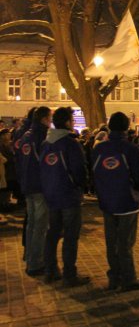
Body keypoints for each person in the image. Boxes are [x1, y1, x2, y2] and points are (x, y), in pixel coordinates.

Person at [92, 112, 139, 291]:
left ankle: (114, 276)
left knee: (111, 242)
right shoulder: (131, 149)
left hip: (107, 201)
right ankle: (128, 278)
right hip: (127, 201)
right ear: (126, 128)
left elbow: (94, 173)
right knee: (125, 243)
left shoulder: (99, 149)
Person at [40, 107, 90, 287]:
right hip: (68, 195)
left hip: (51, 194)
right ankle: (70, 274)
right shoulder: (70, 143)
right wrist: (81, 184)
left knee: (52, 233)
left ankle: (50, 270)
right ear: (68, 122)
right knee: (70, 235)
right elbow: (78, 170)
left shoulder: (46, 143)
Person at [18, 106, 52, 276]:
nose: (51, 121)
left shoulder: (26, 135)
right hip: (39, 186)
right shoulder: (42, 136)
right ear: (44, 119)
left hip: (27, 185)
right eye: (49, 117)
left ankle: (30, 257)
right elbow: (46, 163)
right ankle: (36, 263)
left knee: (32, 224)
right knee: (40, 226)